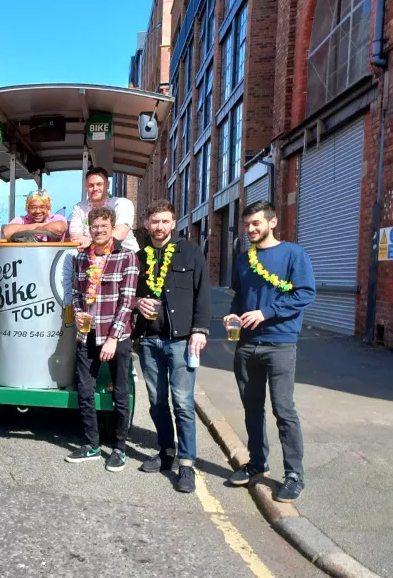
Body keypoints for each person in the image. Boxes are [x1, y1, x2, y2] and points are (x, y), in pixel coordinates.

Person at [223, 200, 315, 503]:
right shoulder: (243, 259)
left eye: (256, 223)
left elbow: (305, 294)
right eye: (247, 224)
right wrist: (233, 314)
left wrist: (266, 312)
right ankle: (257, 463)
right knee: (252, 408)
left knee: (283, 410)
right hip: (246, 344)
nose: (250, 229)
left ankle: (294, 475)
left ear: (272, 222)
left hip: (280, 344)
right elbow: (240, 295)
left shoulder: (294, 254)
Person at [133, 200, 211, 493]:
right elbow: (129, 294)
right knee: (156, 401)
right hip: (149, 340)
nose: (159, 226)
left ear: (173, 223)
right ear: (147, 224)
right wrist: (137, 302)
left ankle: (186, 462)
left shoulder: (190, 251)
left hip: (181, 341)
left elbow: (203, 293)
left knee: (182, 403)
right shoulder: (139, 257)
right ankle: (166, 451)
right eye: (155, 221)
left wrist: (200, 330)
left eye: (165, 221)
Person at [66, 206, 139, 472]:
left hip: (116, 335)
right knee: (85, 391)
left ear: (112, 227)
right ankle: (92, 444)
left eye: (103, 226)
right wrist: (79, 315)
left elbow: (127, 301)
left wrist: (112, 339)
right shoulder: (81, 258)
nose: (98, 230)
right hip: (87, 334)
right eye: (94, 226)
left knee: (120, 393)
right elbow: (76, 293)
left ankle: (119, 448)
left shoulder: (127, 257)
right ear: (89, 228)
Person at [69, 166, 139, 253]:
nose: (95, 189)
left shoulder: (123, 204)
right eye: (91, 185)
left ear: (108, 185)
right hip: (91, 257)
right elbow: (75, 236)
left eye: (99, 184)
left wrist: (90, 242)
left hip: (124, 254)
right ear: (86, 187)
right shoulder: (79, 207)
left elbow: (120, 234)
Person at [1, 188, 68, 241]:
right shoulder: (21, 220)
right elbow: (7, 232)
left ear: (48, 209)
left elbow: (59, 228)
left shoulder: (56, 218)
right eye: (33, 207)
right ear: (27, 209)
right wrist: (40, 226)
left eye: (42, 207)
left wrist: (27, 230)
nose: (38, 211)